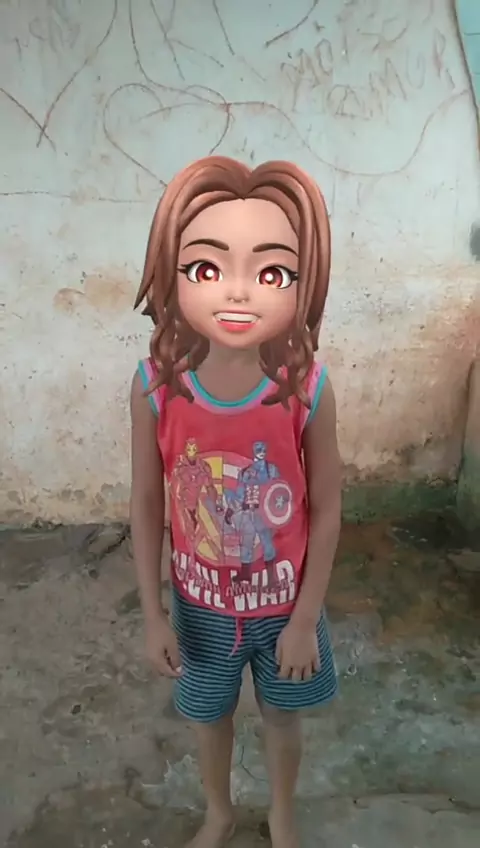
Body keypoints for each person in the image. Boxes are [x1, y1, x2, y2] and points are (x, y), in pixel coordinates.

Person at [130, 156, 342, 848]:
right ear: (171, 276)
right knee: (208, 719)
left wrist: (305, 619)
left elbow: (326, 509)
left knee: (283, 718)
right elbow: (147, 506)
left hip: (284, 607)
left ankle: (281, 815)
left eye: (273, 273)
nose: (239, 291)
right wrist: (154, 614)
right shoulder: (155, 388)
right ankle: (218, 813)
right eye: (206, 267)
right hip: (199, 611)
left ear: (304, 285)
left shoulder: (306, 388)